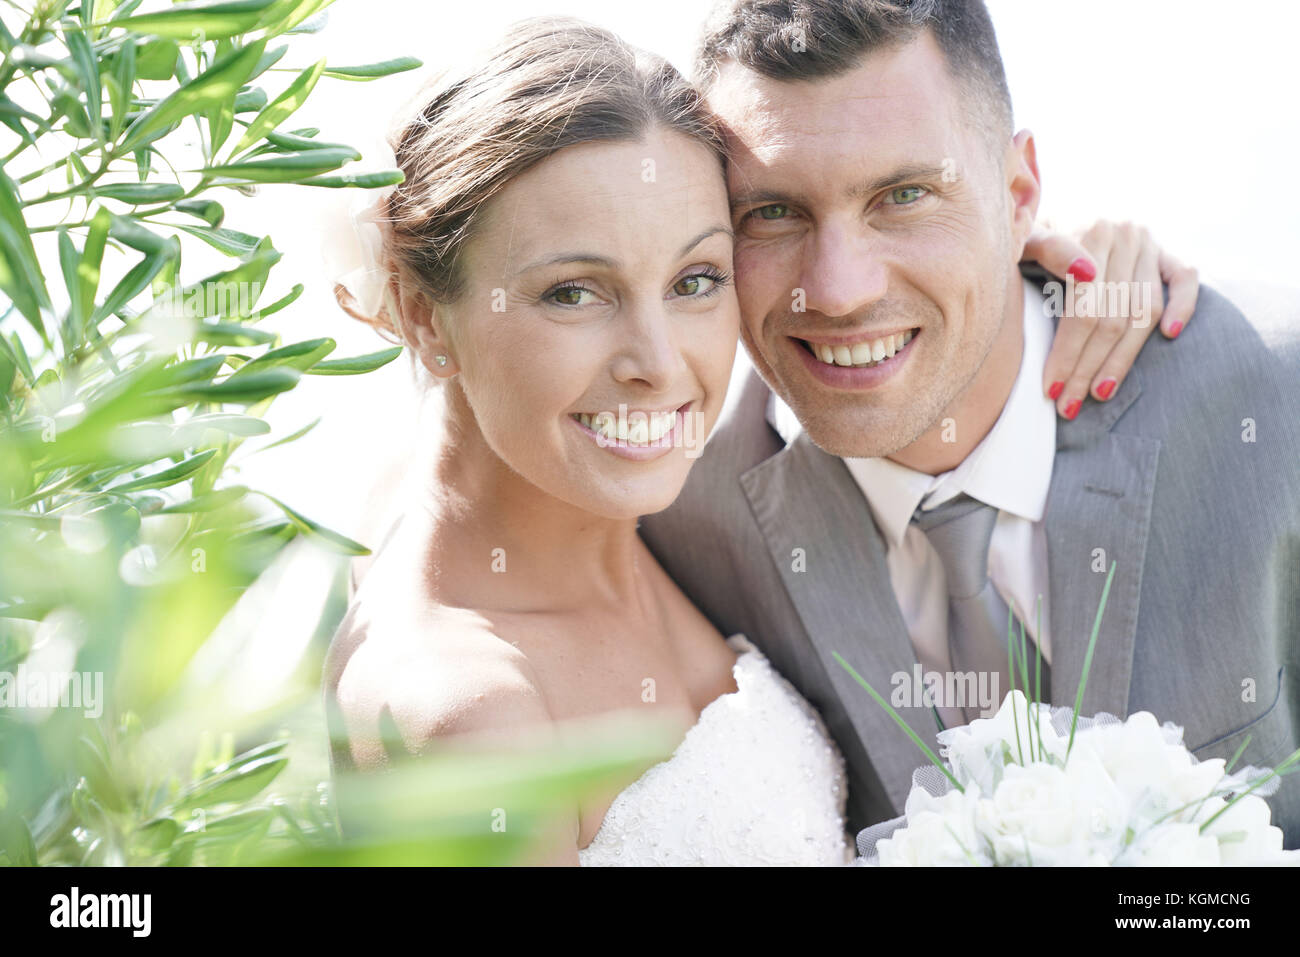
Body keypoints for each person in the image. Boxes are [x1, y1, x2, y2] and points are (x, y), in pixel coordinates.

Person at [324, 13, 1206, 865]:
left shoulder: (665, 516)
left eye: (696, 278)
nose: (658, 364)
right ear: (414, 312)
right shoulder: (469, 715)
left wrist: (1048, 263)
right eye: (573, 292)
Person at [639, 0, 1300, 852]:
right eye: (771, 212)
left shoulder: (1272, 407)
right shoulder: (676, 509)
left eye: (905, 195)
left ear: (1019, 192)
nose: (838, 290)